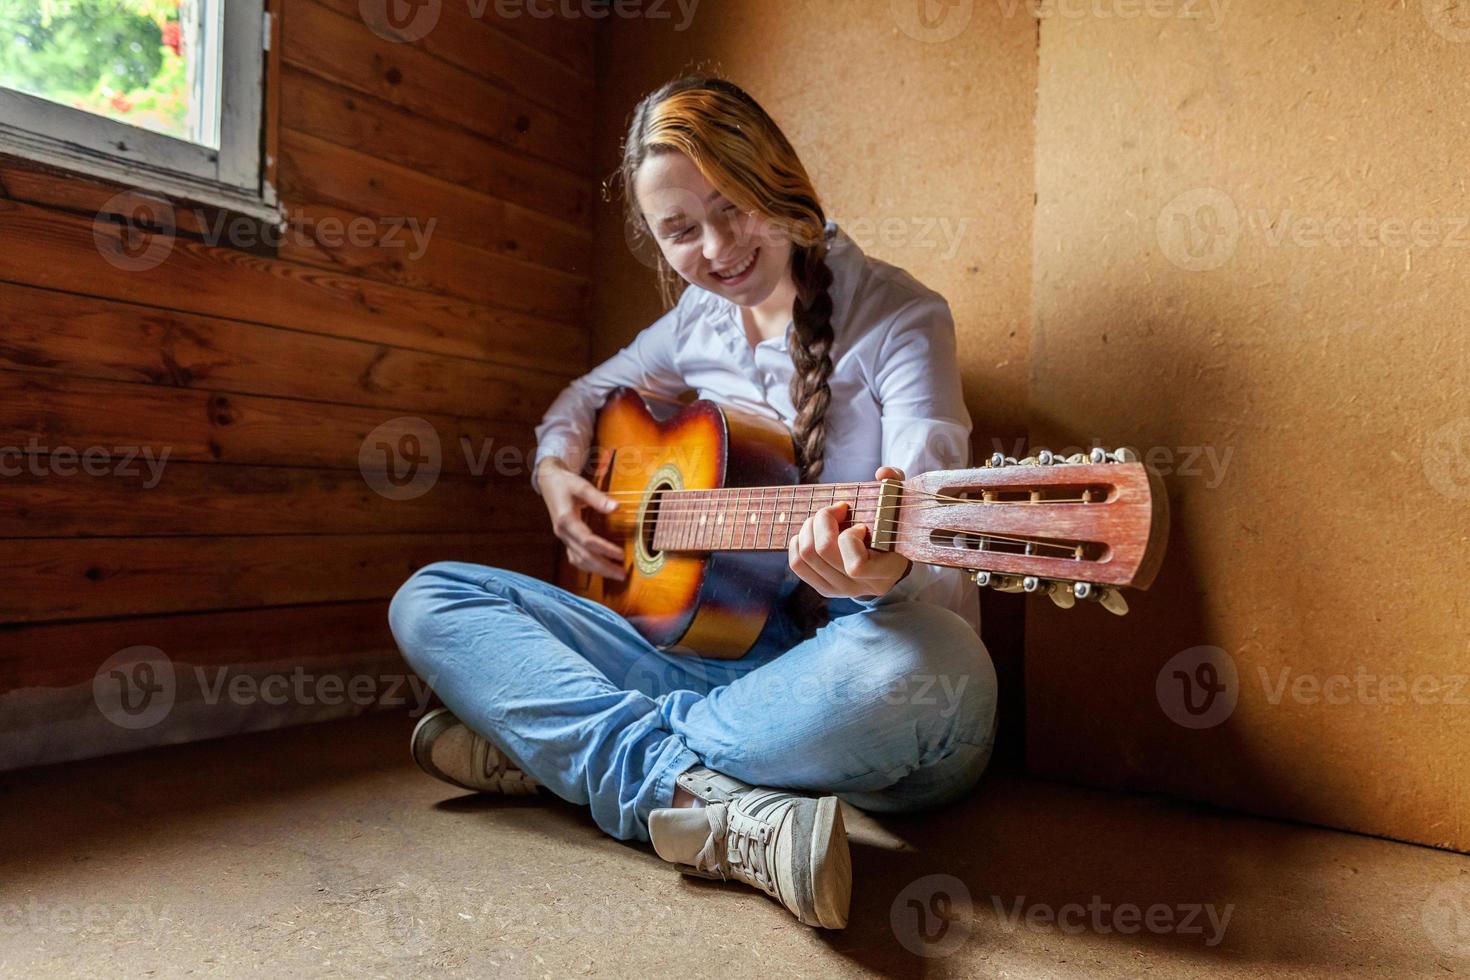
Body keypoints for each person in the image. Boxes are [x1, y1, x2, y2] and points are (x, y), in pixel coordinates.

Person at [389, 75, 997, 930]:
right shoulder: (694, 326)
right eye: (680, 230)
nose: (716, 249)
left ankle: (565, 747)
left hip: (845, 683)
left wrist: (888, 572)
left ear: (775, 179)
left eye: (732, 206)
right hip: (715, 665)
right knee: (431, 596)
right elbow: (579, 400)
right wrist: (555, 474)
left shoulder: (901, 319)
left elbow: (935, 551)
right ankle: (699, 798)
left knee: (942, 664)